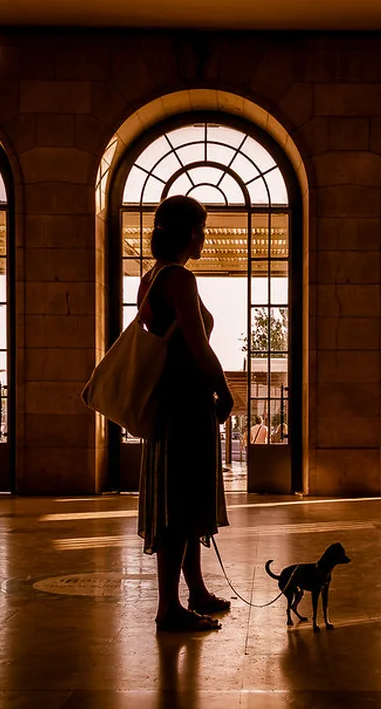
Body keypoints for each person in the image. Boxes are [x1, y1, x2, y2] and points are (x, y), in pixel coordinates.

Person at [136, 195, 236, 633]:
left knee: (181, 499)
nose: (205, 236)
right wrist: (225, 390)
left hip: (167, 402)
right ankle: (167, 607)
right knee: (180, 505)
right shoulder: (179, 279)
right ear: (187, 232)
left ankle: (193, 589)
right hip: (187, 404)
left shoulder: (150, 278)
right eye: (202, 228)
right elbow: (198, 347)